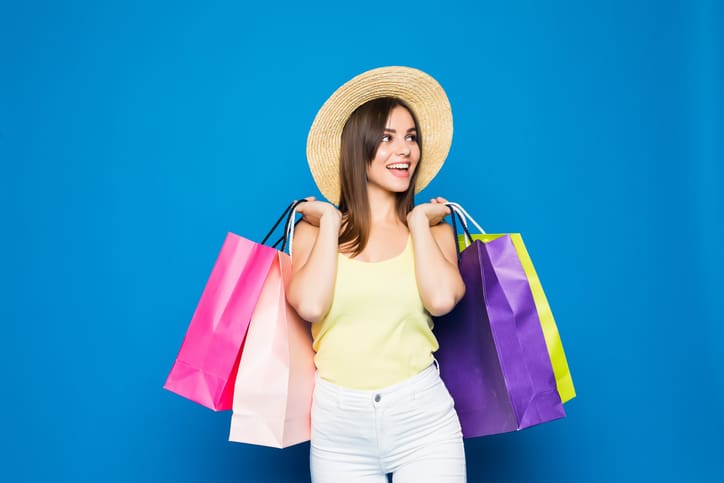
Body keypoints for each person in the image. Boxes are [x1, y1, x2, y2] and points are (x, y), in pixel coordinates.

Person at [287, 66, 467, 483]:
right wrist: (331, 223)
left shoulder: (436, 232)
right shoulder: (313, 234)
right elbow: (311, 305)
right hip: (338, 429)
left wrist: (420, 223)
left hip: (423, 421)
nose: (404, 150)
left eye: (411, 137)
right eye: (386, 138)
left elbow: (441, 300)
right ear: (357, 147)